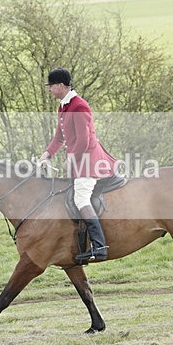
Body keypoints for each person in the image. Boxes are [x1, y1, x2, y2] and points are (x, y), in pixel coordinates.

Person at [37, 67, 119, 264]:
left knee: (81, 198)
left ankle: (99, 247)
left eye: (51, 86)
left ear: (61, 86)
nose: (49, 90)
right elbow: (59, 137)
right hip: (79, 159)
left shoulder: (79, 106)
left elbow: (83, 140)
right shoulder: (63, 107)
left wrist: (71, 159)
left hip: (89, 160)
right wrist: (46, 154)